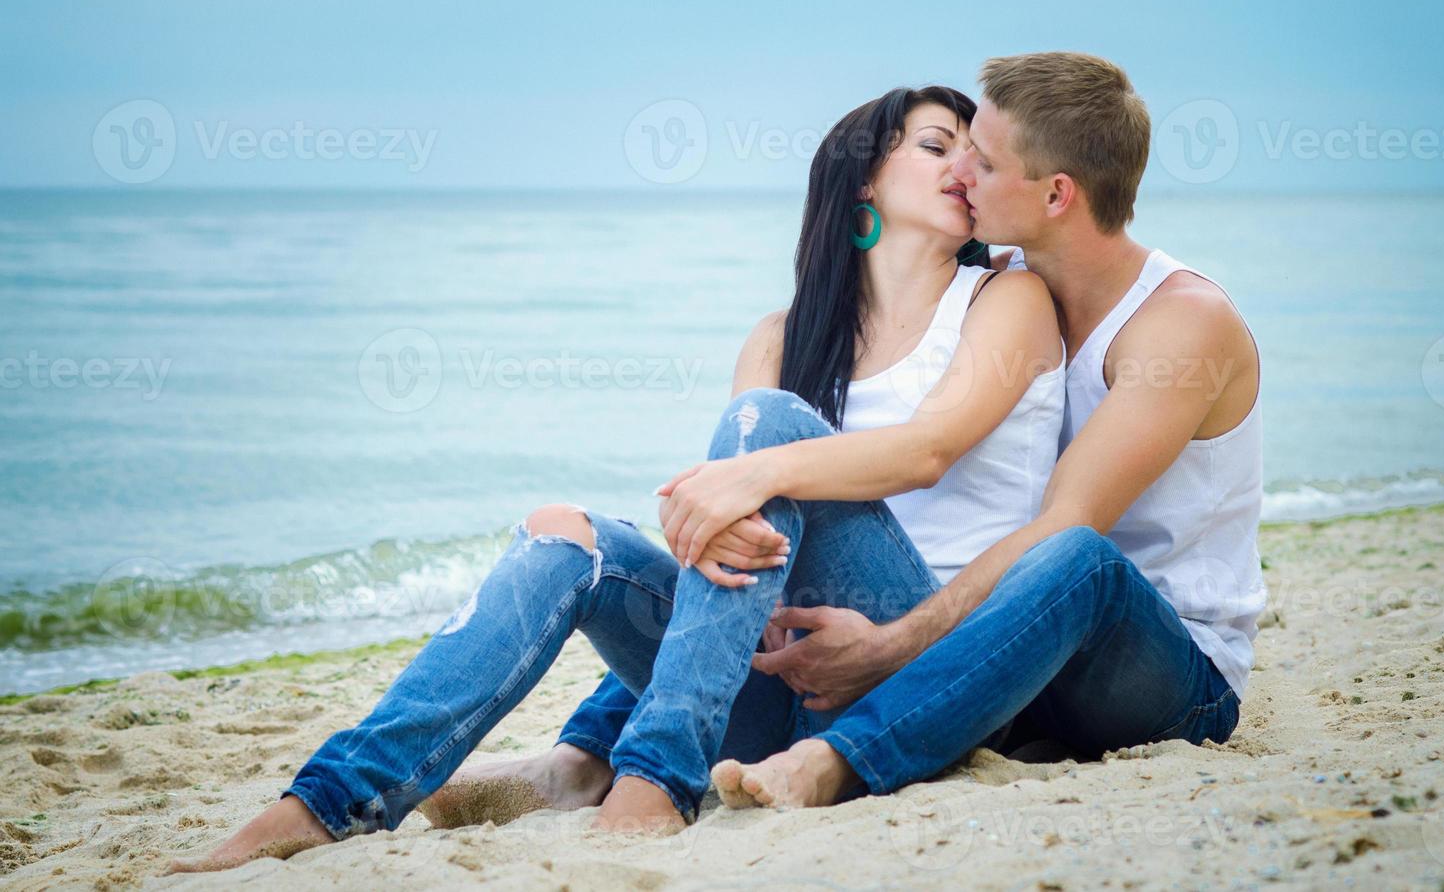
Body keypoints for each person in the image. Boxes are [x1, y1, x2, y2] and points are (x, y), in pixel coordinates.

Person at [166, 85, 1065, 872]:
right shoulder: (782, 337)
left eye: (975, 155)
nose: (963, 168)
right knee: (568, 535)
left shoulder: (1007, 300)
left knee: (767, 437)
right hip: (774, 685)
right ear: (863, 179)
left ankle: (648, 782)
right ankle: (330, 802)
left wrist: (740, 482)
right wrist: (708, 510)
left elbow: (926, 452)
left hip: (925, 671)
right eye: (936, 146)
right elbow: (735, 509)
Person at [709, 51, 1266, 809]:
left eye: (984, 160)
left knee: (1080, 557)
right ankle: (600, 754)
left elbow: (1062, 526)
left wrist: (892, 644)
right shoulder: (1002, 289)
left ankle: (836, 762)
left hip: (1162, 669)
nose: (962, 172)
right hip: (1006, 654)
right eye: (954, 150)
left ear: (1058, 193)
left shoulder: (1178, 326)